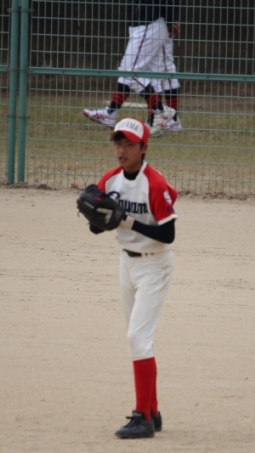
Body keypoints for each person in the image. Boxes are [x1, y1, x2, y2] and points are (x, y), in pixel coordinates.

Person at [84, 118, 178, 439]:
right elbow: (97, 227)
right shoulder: (111, 179)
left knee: (137, 338)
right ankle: (152, 411)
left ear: (144, 147)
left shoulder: (155, 183)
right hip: (126, 264)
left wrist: (127, 221)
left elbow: (168, 234)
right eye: (118, 143)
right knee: (140, 339)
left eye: (129, 144)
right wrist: (96, 214)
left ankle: (142, 418)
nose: (121, 150)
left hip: (155, 266)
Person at [82, 0, 180, 137]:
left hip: (150, 19)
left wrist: (171, 18)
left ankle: (162, 111)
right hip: (141, 20)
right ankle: (114, 114)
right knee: (134, 69)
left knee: (131, 73)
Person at [152, 28, 183, 132]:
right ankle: (158, 118)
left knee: (165, 67)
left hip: (161, 26)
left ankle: (173, 119)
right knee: (155, 69)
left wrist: (170, 22)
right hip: (151, 27)